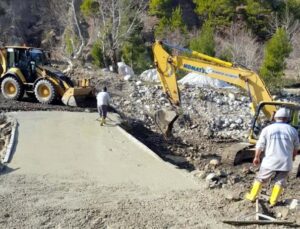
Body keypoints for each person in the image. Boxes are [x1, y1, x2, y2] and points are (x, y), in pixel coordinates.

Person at [245, 107, 299, 206]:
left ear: (275, 117)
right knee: (280, 181)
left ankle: (252, 196)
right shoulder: (293, 131)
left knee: (261, 178)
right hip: (285, 161)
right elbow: (296, 148)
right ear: (287, 118)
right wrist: (293, 157)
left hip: (270, 160)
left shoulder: (267, 129)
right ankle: (273, 201)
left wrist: (256, 157)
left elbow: (260, 145)